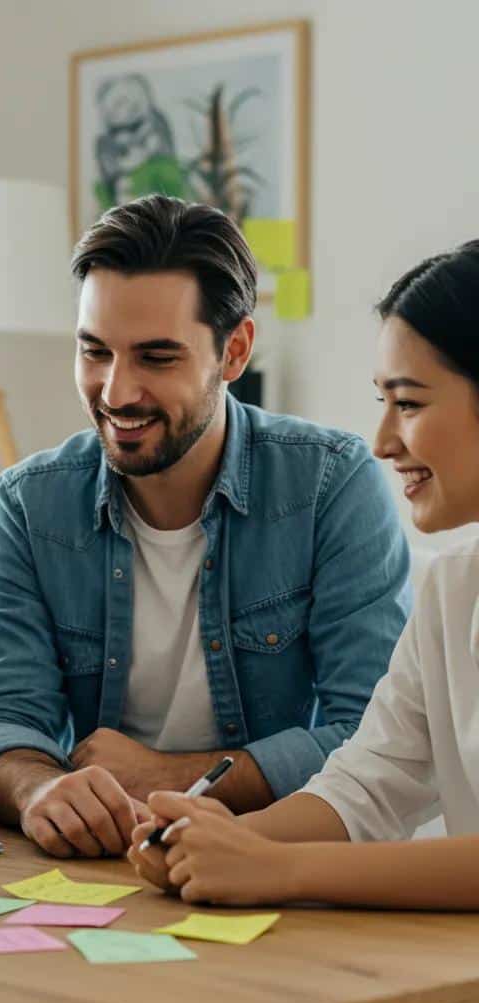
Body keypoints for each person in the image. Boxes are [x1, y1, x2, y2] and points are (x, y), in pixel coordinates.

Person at [0, 195, 411, 859]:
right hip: (102, 865)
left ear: (235, 351)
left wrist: (170, 776)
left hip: (267, 854)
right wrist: (37, 790)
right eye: (95, 352)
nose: (115, 392)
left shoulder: (330, 485)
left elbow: (374, 736)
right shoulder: (30, 506)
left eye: (156, 358)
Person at [129, 241, 479, 910]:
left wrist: (280, 870)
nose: (381, 441)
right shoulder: (453, 588)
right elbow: (367, 784)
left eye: (407, 404)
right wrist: (214, 840)